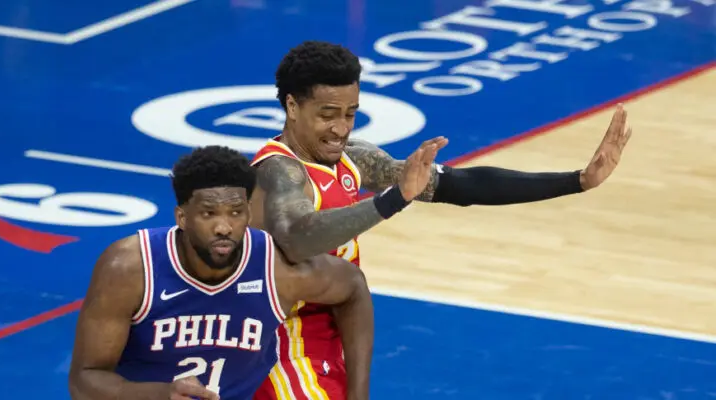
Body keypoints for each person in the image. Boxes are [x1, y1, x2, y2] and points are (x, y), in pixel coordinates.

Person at [248, 40, 633, 399]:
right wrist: (392, 200)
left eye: (350, 113)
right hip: (280, 345)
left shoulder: (351, 156)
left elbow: (463, 186)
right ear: (292, 106)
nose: (341, 128)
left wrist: (577, 181)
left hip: (328, 337)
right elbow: (297, 237)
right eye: (327, 115)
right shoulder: (279, 172)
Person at [67, 145, 374, 400]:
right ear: (182, 217)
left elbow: (353, 288)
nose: (224, 227)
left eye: (236, 212)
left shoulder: (273, 265)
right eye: (208, 214)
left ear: (249, 214)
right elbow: (85, 380)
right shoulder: (131, 268)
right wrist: (162, 394)